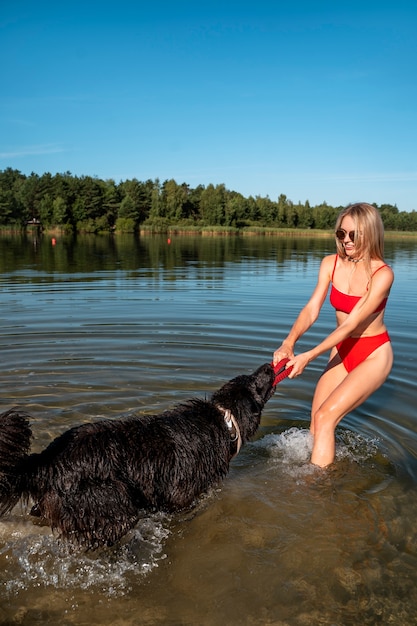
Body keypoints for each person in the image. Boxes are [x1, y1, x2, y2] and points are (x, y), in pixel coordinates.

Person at [273, 202, 394, 468]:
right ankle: (325, 470)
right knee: (317, 420)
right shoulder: (331, 263)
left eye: (354, 235)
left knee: (327, 416)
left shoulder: (382, 274)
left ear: (370, 233)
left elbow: (351, 325)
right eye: (341, 234)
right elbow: (312, 308)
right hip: (342, 349)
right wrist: (288, 343)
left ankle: (316, 488)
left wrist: (309, 356)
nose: (346, 240)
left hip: (373, 354)